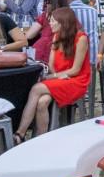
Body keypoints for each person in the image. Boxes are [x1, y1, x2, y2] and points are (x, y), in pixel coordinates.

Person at [14, 7, 91, 139]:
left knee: (36, 88)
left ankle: (20, 133)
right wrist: (57, 77)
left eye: (53, 21)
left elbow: (75, 70)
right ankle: (42, 139)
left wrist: (54, 77)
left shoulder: (81, 38)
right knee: (42, 102)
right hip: (61, 78)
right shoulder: (57, 36)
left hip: (76, 80)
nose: (50, 24)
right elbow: (51, 64)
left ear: (63, 23)